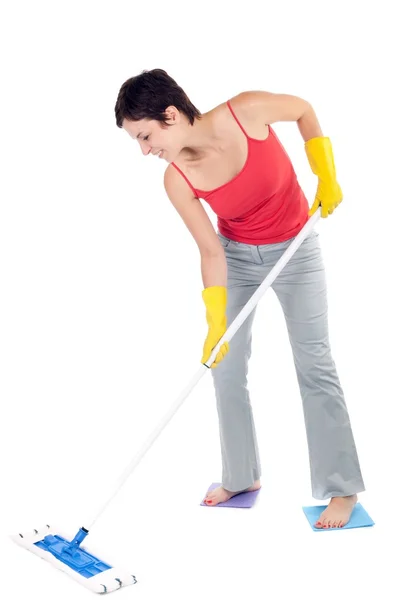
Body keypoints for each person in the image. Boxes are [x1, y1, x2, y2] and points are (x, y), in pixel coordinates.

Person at [114, 68, 365, 529]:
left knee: (315, 364)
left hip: (297, 250)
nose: (145, 150)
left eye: (145, 136)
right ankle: (241, 476)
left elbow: (303, 110)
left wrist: (324, 174)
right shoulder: (176, 179)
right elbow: (210, 251)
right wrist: (214, 324)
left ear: (170, 115)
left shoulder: (245, 112)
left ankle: (341, 488)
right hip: (238, 260)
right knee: (224, 367)